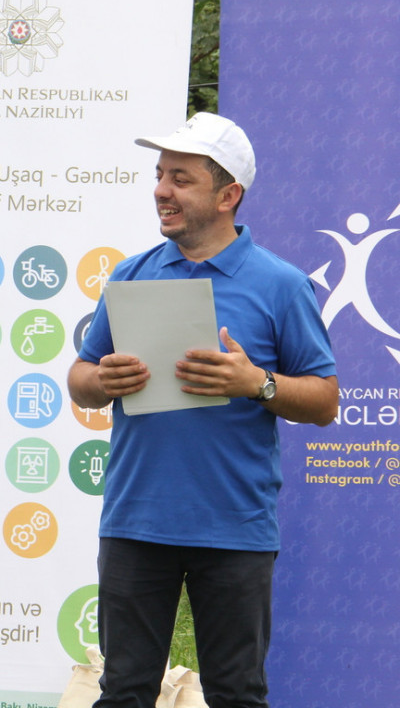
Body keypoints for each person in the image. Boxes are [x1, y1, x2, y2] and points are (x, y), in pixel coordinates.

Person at [67, 112, 338, 708]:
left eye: (181, 179)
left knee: (237, 694)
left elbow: (324, 400)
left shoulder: (281, 285)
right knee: (124, 693)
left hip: (235, 529)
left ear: (228, 196)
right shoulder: (130, 275)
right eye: (161, 175)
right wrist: (101, 379)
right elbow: (80, 380)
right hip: (135, 523)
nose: (161, 190)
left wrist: (257, 383)